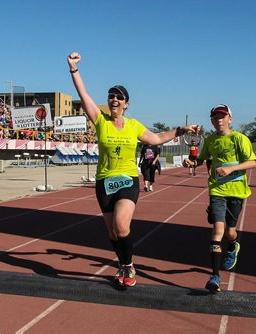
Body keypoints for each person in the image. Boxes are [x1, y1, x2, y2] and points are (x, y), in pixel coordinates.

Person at [67, 51, 198, 287]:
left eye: (119, 97)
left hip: (127, 180)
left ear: (126, 104)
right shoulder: (100, 120)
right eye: (111, 96)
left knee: (121, 224)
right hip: (104, 182)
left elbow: (156, 138)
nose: (114, 99)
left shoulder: (134, 125)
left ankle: (128, 266)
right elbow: (83, 95)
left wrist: (180, 130)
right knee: (112, 233)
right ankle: (123, 264)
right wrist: (74, 69)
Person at [183, 104, 256, 293]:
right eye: (215, 117)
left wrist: (231, 168)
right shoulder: (210, 140)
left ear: (230, 119)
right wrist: (192, 162)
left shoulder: (239, 139)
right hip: (217, 190)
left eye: (222, 117)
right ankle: (214, 276)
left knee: (230, 232)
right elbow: (202, 159)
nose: (219, 120)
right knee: (217, 230)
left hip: (237, 191)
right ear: (212, 121)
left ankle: (233, 245)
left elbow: (253, 162)